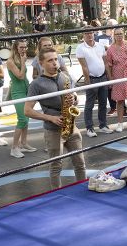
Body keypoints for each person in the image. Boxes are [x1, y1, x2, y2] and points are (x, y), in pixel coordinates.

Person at [25, 49, 86, 188]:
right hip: (53, 130)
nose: (55, 63)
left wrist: (74, 99)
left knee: (80, 163)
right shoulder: (36, 84)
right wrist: (50, 118)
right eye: (50, 60)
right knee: (56, 167)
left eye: (56, 59)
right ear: (41, 63)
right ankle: (56, 196)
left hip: (71, 126)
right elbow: (27, 110)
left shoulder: (65, 77)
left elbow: (73, 97)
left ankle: (83, 190)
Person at [76, 30, 113, 137]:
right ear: (83, 35)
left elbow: (106, 63)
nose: (89, 35)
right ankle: (89, 128)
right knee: (89, 104)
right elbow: (84, 66)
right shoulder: (80, 48)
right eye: (86, 33)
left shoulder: (100, 46)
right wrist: (87, 81)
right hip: (91, 79)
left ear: (93, 34)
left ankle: (103, 125)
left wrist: (110, 78)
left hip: (103, 77)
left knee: (103, 103)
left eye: (91, 33)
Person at [6, 39, 37, 157]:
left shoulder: (21, 58)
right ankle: (14, 148)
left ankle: (23, 143)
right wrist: (23, 63)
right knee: (22, 119)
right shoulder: (10, 61)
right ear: (16, 48)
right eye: (21, 47)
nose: (24, 49)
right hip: (17, 92)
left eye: (25, 47)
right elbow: (20, 76)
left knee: (26, 117)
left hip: (26, 89)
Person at [106, 28, 127, 131]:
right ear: (114, 36)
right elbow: (109, 65)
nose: (119, 36)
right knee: (120, 100)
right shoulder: (110, 49)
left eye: (121, 34)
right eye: (117, 34)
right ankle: (120, 124)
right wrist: (110, 78)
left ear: (123, 34)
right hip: (118, 75)